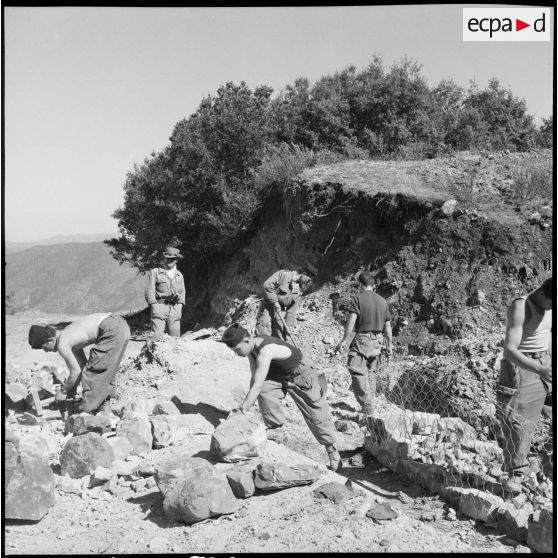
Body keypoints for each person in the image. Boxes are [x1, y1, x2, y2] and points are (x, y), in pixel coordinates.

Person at [221, 322, 341, 471]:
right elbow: (256, 381)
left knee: (316, 415)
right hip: (279, 375)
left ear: (246, 340)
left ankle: (332, 450)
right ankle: (276, 429)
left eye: (237, 349)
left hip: (301, 374)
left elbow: (256, 385)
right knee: (264, 389)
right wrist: (245, 407)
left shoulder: (266, 349)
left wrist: (242, 410)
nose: (236, 354)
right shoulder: (251, 350)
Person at [496, 277, 553, 494]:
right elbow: (509, 350)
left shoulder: (550, 305)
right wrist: (539, 369)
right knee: (519, 423)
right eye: (550, 303)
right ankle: (516, 474)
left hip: (545, 363)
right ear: (541, 294)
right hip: (523, 369)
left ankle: (547, 466)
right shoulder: (521, 307)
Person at [28, 313, 130, 414]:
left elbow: (75, 371)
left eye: (44, 347)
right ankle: (103, 406)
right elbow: (81, 366)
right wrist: (72, 388)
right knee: (106, 370)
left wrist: (63, 391)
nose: (46, 351)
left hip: (111, 329)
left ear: (50, 340)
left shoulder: (62, 344)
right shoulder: (68, 335)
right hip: (120, 325)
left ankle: (87, 412)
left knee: (93, 371)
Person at [335, 271, 393, 417]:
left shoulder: (358, 298)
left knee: (355, 368)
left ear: (361, 285)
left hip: (363, 339)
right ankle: (371, 401)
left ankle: (367, 405)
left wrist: (344, 340)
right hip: (378, 341)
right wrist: (389, 344)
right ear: (373, 285)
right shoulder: (383, 301)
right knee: (371, 372)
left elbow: (352, 321)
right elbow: (388, 327)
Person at [255, 268, 313, 340]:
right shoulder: (283, 275)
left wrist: (289, 326)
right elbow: (267, 285)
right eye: (308, 280)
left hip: (280, 311)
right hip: (268, 306)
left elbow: (292, 309)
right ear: (304, 274)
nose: (308, 283)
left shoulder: (300, 288)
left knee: (281, 337)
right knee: (264, 333)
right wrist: (275, 302)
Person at [145, 246, 186, 337]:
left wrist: (180, 306)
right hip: (159, 307)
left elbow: (183, 292)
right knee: (156, 337)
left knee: (175, 339)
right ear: (164, 258)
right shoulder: (155, 272)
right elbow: (149, 290)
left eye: (173, 259)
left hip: (175, 309)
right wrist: (154, 305)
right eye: (167, 258)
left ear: (177, 260)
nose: (170, 260)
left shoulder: (179, 275)